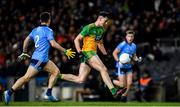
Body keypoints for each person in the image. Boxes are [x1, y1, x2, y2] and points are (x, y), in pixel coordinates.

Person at [3, 12, 75, 104]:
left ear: (41, 20)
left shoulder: (35, 30)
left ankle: (48, 93)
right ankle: (9, 92)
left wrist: (24, 52)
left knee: (56, 72)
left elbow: (26, 40)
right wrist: (65, 51)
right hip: (40, 59)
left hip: (43, 59)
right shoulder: (48, 30)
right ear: (49, 20)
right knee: (26, 78)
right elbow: (53, 44)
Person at [59, 11, 125, 98]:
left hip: (92, 53)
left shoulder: (101, 29)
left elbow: (100, 43)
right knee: (103, 69)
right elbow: (76, 39)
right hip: (87, 52)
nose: (106, 23)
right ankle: (113, 91)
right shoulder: (89, 27)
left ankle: (58, 76)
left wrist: (105, 54)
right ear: (100, 19)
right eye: (105, 21)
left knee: (80, 79)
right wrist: (79, 52)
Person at [112, 30, 142, 102]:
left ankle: (124, 96)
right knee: (122, 85)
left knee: (130, 83)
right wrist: (118, 61)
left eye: (131, 36)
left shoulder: (134, 46)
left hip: (128, 66)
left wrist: (137, 59)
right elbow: (114, 53)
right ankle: (110, 81)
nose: (130, 38)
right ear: (126, 37)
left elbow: (133, 56)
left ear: (133, 37)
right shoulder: (122, 44)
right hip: (120, 66)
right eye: (129, 36)